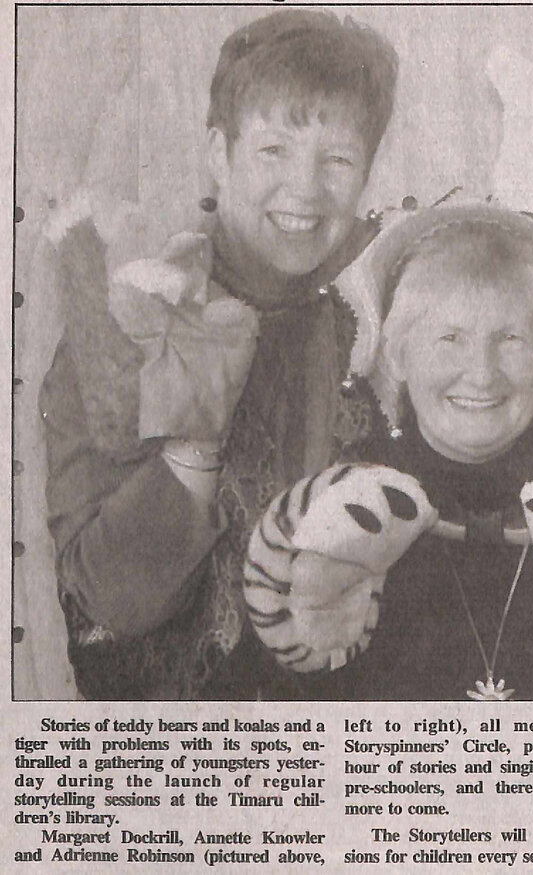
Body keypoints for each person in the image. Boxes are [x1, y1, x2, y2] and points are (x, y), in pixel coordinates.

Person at [39, 10, 398, 699]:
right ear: (218, 152)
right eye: (273, 151)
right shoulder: (132, 316)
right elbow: (112, 604)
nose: (306, 187)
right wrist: (193, 445)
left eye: (338, 159)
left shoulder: (377, 313)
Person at [240, 204, 533, 700]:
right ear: (397, 354)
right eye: (450, 338)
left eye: (511, 339)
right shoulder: (342, 506)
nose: (481, 373)